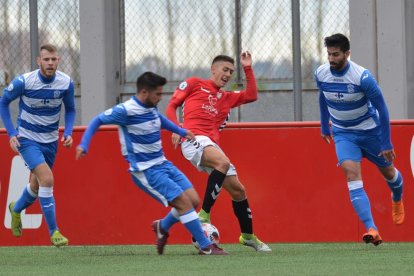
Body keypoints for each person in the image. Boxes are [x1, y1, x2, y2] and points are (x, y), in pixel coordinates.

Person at [76, 71, 227, 255]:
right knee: (183, 204)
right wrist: (84, 144)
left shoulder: (151, 107)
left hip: (163, 164)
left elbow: (159, 120)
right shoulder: (126, 110)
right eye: (157, 94)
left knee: (193, 201)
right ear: (145, 92)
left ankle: (162, 227)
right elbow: (97, 121)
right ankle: (206, 246)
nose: (160, 98)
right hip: (146, 171)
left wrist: (181, 131)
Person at [166, 52, 271, 252]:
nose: (228, 74)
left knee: (238, 190)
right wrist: (176, 129)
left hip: (211, 145)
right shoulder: (194, 83)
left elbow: (252, 95)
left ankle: (247, 236)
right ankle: (204, 214)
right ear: (213, 69)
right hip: (193, 138)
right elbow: (171, 106)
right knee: (222, 163)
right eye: (225, 70)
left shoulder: (226, 97)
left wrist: (247, 68)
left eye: (231, 72)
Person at [315, 33, 405, 246]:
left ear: (347, 53)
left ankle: (397, 197)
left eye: (336, 54)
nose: (331, 59)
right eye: (328, 54)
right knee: (351, 174)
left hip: (370, 132)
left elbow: (382, 108)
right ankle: (372, 229)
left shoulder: (362, 77)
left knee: (389, 172)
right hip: (343, 133)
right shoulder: (321, 73)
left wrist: (385, 142)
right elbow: (323, 94)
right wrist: (324, 124)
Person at [0, 44, 76, 247]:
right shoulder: (25, 81)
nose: (50, 63)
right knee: (47, 179)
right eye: (46, 59)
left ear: (58, 60)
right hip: (27, 139)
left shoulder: (66, 83)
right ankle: (55, 232)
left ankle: (15, 209)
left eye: (53, 59)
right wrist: (12, 133)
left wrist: (68, 132)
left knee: (36, 186)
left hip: (50, 140)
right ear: (38, 61)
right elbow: (3, 102)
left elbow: (70, 110)